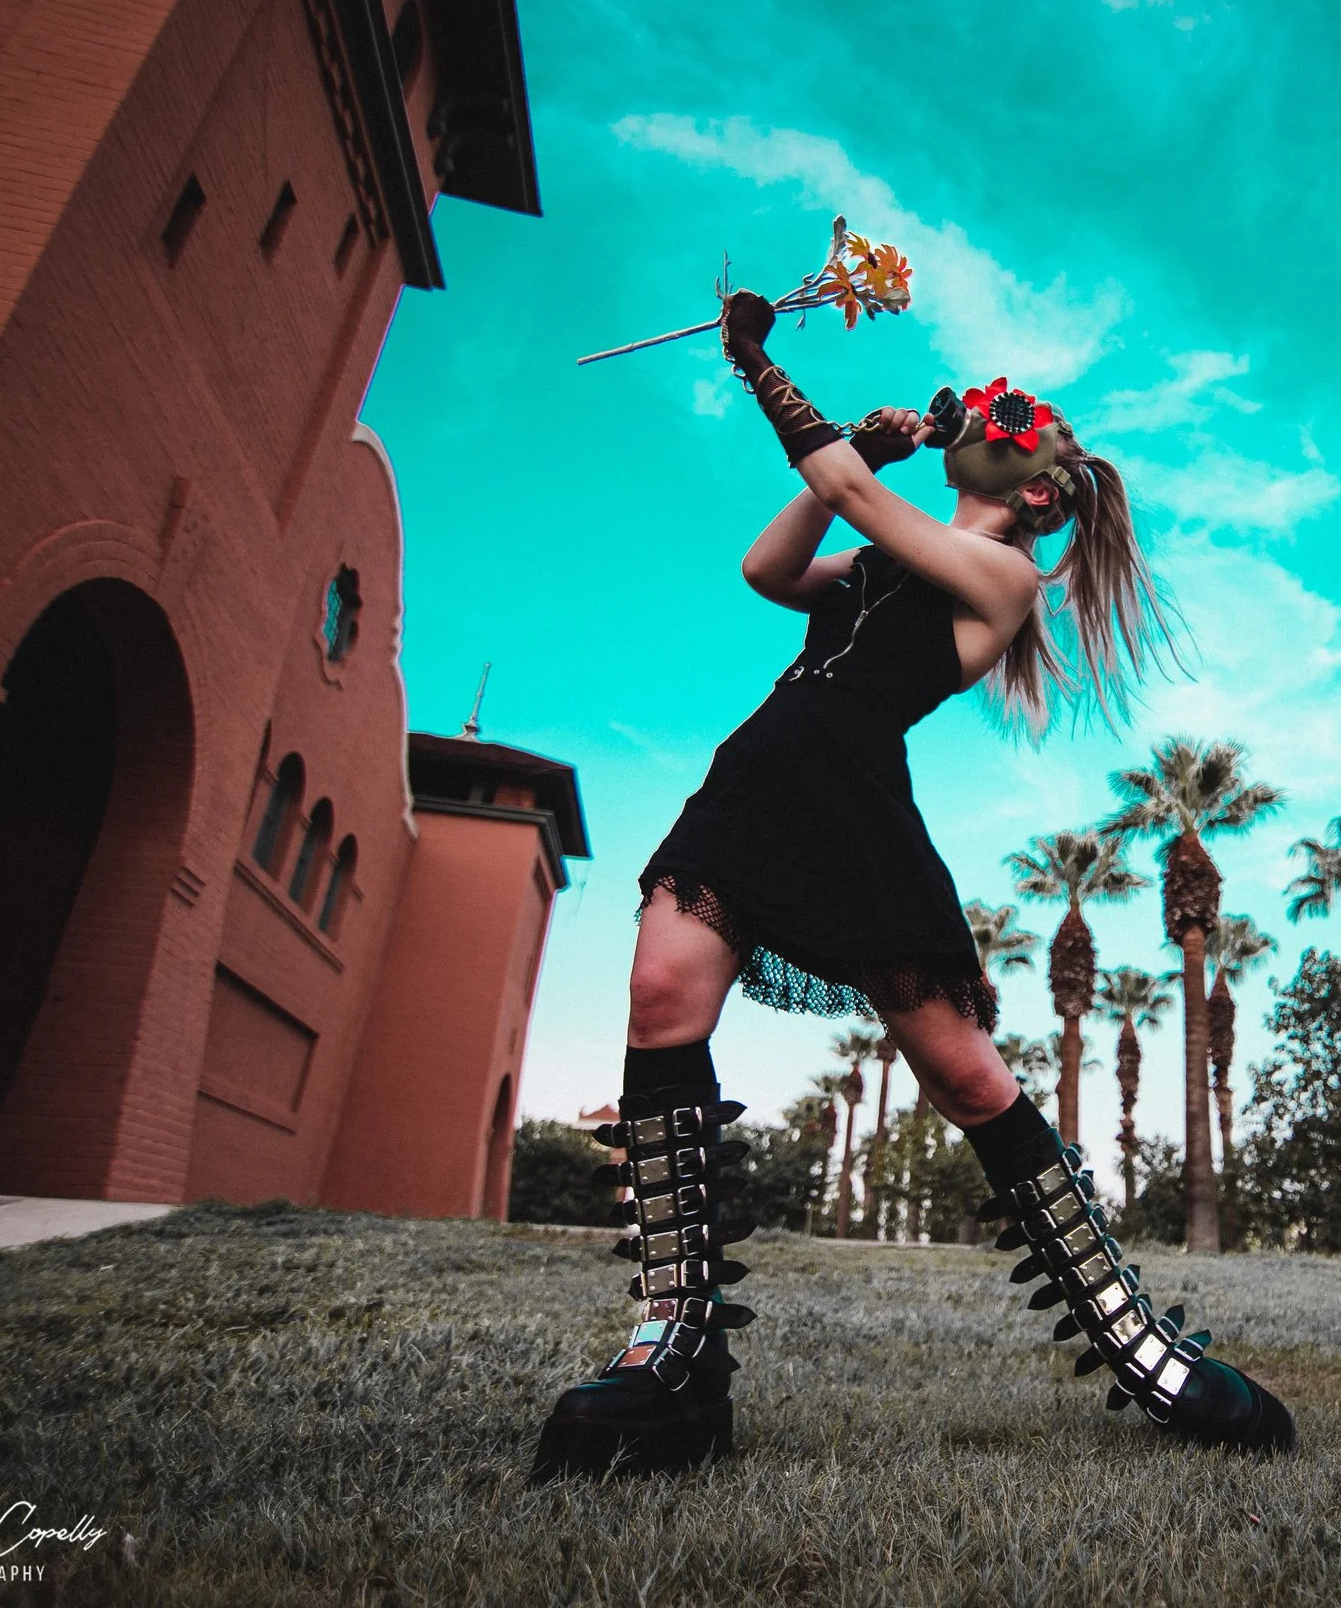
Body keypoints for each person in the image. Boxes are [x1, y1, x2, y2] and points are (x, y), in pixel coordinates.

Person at [531, 291, 1295, 1478]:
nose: (1001, 404)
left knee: (963, 1073)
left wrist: (757, 368)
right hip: (757, 773)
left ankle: (1141, 1342)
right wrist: (873, 446)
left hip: (850, 799)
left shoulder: (1001, 580)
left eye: (1026, 418)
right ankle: (674, 1361)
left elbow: (846, 496)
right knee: (659, 995)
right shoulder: (888, 548)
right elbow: (770, 565)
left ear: (1040, 489)